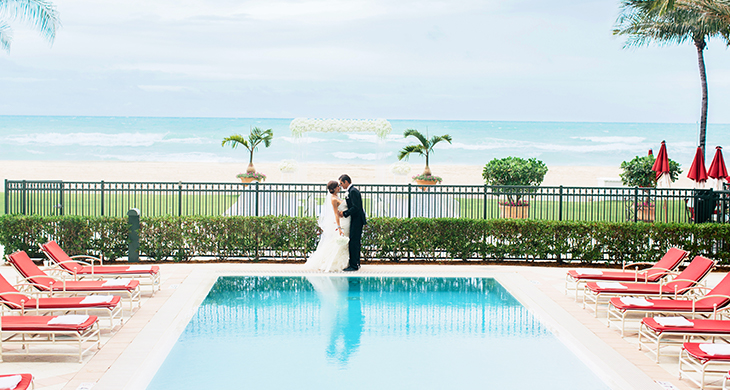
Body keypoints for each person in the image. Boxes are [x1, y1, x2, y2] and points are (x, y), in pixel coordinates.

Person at [304, 180, 351, 272]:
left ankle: (346, 262)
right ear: (333, 189)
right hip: (342, 223)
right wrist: (339, 227)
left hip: (346, 220)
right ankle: (334, 262)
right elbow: (336, 214)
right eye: (338, 186)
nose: (339, 187)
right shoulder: (333, 199)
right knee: (339, 243)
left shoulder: (337, 196)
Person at [338, 174, 366, 271]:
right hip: (355, 219)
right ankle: (356, 263)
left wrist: (344, 213)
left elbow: (356, 207)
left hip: (357, 220)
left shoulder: (353, 191)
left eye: (341, 183)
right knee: (355, 242)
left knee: (354, 242)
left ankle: (354, 265)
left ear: (346, 182)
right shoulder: (351, 191)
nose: (341, 186)